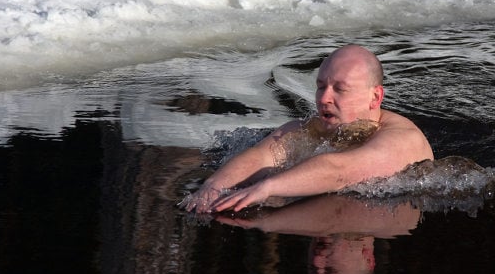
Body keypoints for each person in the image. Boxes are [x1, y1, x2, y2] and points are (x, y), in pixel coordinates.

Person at [183, 44, 434, 213]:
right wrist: (213, 186)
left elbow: (340, 172)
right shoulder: (308, 129)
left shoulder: (402, 140)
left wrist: (267, 189)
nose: (323, 98)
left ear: (375, 97)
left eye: (340, 89)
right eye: (320, 86)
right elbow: (262, 156)